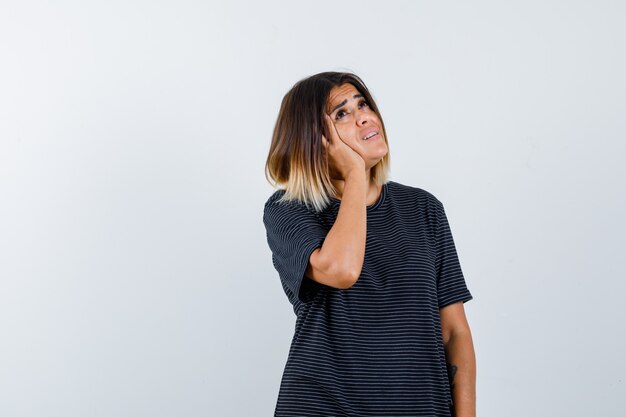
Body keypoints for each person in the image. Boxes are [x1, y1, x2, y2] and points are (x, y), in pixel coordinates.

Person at [263, 71, 476, 417]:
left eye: (363, 104)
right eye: (341, 114)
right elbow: (343, 270)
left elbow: (453, 332)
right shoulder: (289, 209)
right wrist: (354, 175)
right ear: (314, 139)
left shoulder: (423, 209)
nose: (365, 116)